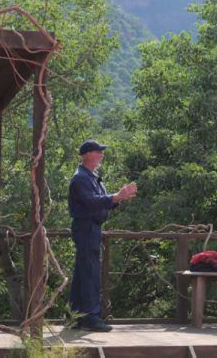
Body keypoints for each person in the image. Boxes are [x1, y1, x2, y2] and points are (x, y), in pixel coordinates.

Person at [68, 140, 137, 331]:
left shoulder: (91, 176)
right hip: (86, 227)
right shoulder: (80, 178)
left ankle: (75, 315)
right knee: (89, 271)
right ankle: (91, 317)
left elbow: (102, 202)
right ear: (88, 154)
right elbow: (91, 202)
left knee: (83, 270)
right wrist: (116, 196)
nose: (102, 154)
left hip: (91, 227)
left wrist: (120, 197)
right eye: (99, 151)